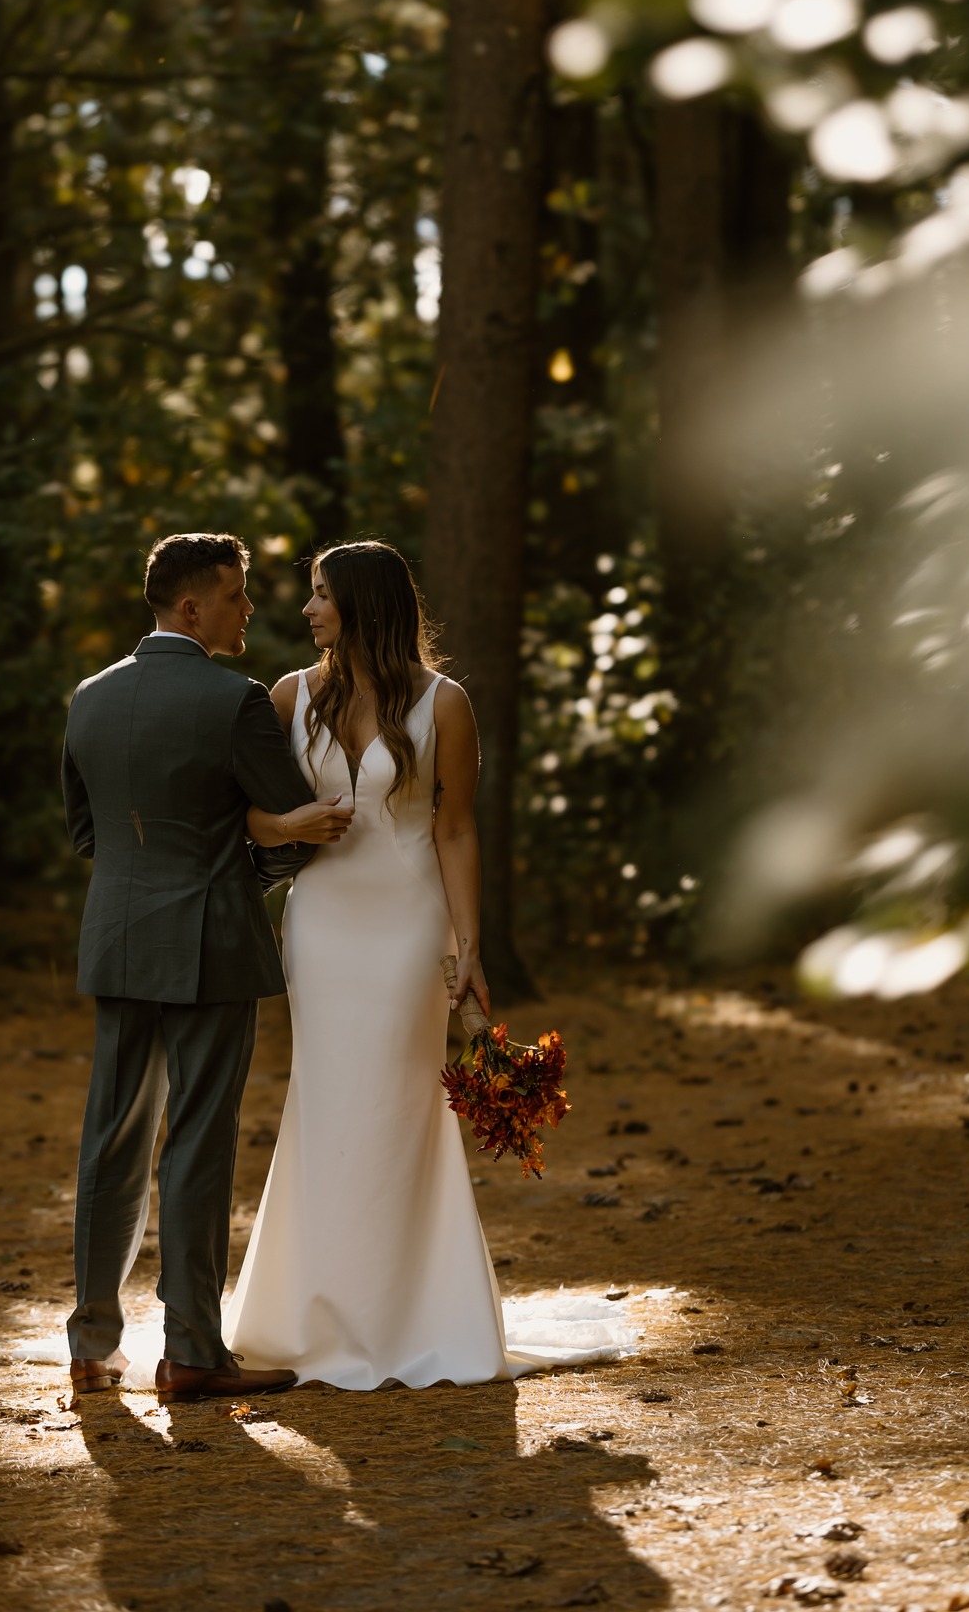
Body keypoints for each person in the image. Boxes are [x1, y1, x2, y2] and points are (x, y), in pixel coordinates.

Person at [224, 540, 634, 1388]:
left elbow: (454, 828)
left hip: (410, 926)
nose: (306, 612)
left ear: (366, 605)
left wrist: (468, 942)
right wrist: (293, 827)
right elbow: (254, 822)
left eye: (321, 596)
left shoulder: (444, 704)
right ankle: (309, 1311)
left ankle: (415, 1310)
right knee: (327, 1099)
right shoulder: (287, 696)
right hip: (323, 925)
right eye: (309, 596)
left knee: (404, 1102)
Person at [61, 531, 352, 1402]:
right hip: (212, 942)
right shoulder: (235, 700)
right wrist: (248, 871)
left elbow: (86, 835)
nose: (249, 610)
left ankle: (90, 1345)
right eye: (235, 593)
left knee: (109, 1140)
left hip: (116, 937)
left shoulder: (89, 698)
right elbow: (293, 822)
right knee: (195, 1142)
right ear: (191, 606)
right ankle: (190, 1351)